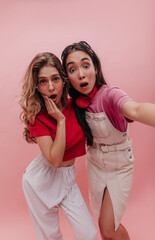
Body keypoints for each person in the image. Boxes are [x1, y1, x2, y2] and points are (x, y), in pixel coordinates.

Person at [61, 41, 155, 240]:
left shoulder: (110, 95)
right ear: (67, 78)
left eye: (86, 65)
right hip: (95, 165)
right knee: (103, 227)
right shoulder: (74, 105)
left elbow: (136, 110)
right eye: (73, 69)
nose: (81, 73)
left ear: (95, 68)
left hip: (119, 165)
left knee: (109, 228)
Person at [19, 52, 97, 240]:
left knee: (89, 234)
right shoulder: (37, 117)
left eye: (55, 79)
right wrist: (60, 121)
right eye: (43, 81)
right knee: (50, 237)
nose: (51, 87)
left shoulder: (77, 105)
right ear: (37, 87)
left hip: (67, 178)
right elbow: (54, 160)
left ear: (64, 81)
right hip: (40, 181)